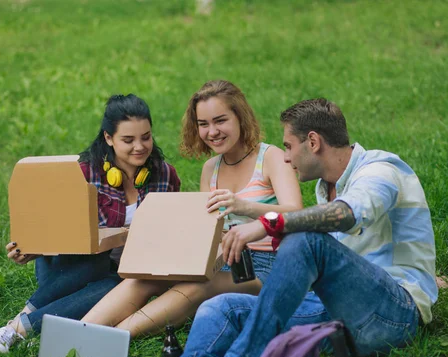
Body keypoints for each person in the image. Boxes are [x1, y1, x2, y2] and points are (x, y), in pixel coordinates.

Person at [105, 98, 438, 357]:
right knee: (220, 306)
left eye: (289, 147)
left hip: (392, 317)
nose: (287, 157)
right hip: (337, 316)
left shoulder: (381, 170)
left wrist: (269, 223)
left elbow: (347, 214)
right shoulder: (327, 187)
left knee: (305, 238)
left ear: (313, 142)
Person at [81, 80, 302, 337]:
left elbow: (296, 214)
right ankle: (78, 334)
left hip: (267, 268)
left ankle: (107, 340)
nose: (212, 132)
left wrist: (245, 207)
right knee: (146, 277)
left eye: (220, 121)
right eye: (203, 124)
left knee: (197, 287)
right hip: (223, 262)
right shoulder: (211, 169)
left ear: (240, 118)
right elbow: (211, 234)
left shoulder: (271, 158)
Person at [0, 94, 181, 353]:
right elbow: (54, 229)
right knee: (98, 264)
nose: (140, 146)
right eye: (128, 140)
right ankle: (19, 325)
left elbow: (175, 227)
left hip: (123, 272)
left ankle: (16, 329)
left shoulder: (165, 175)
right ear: (108, 138)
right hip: (72, 267)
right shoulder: (83, 174)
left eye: (146, 137)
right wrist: (32, 248)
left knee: (114, 284)